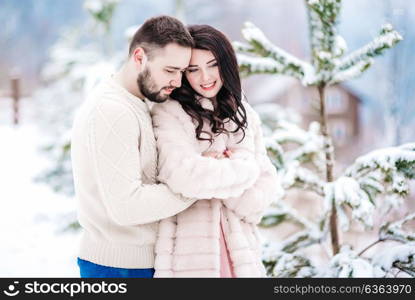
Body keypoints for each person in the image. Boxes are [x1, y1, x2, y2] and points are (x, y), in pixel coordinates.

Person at [70, 15, 198, 278]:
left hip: (132, 265)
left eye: (182, 72)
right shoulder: (112, 110)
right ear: (139, 57)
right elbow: (127, 206)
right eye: (170, 70)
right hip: (118, 268)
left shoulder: (134, 102)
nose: (178, 81)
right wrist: (198, 186)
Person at [151, 24, 280, 277]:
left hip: (241, 257)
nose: (205, 77)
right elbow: (183, 176)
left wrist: (216, 173)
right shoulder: (169, 112)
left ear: (226, 63)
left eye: (212, 65)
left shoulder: (242, 113)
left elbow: (263, 192)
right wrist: (243, 171)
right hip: (188, 258)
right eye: (193, 69)